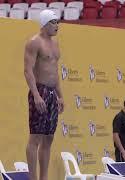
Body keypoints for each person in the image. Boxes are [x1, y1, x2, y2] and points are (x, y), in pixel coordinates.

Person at [24, 9, 63, 180]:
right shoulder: (34, 42)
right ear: (45, 24)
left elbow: (55, 72)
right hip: (39, 91)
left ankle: (44, 178)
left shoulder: (55, 44)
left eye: (58, 22)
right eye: (54, 22)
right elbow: (27, 71)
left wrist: (60, 95)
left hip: (52, 93)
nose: (57, 26)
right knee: (35, 138)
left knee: (49, 138)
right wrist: (36, 95)